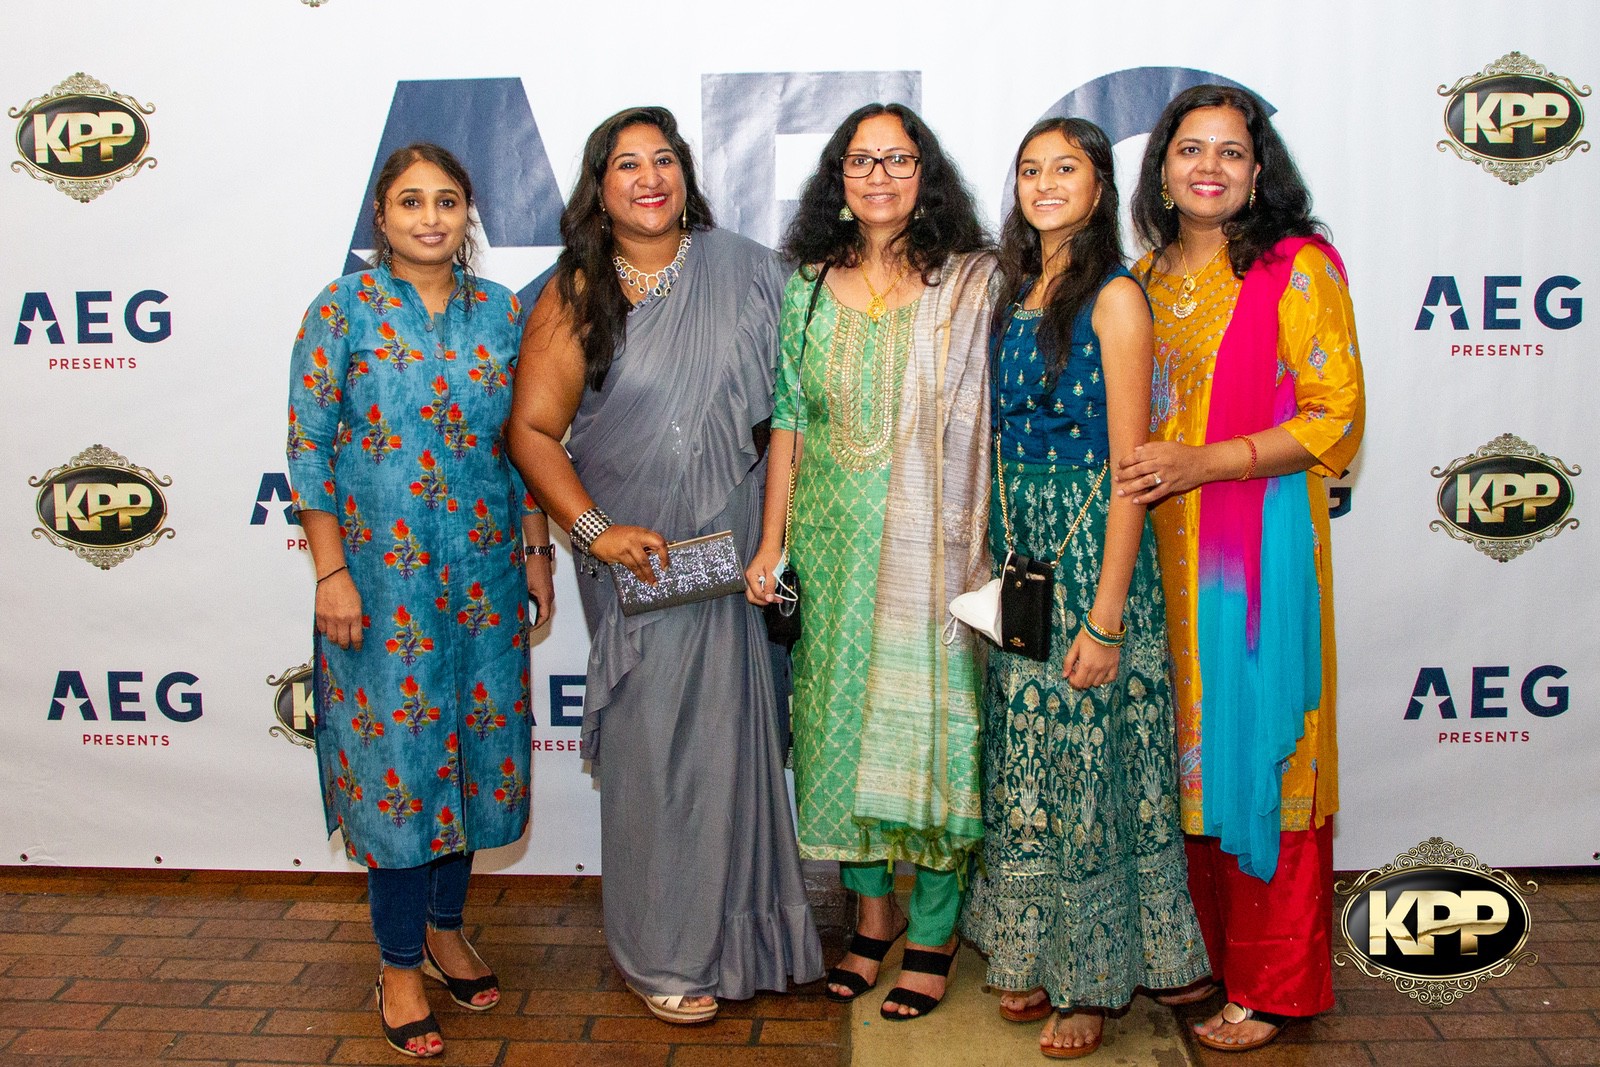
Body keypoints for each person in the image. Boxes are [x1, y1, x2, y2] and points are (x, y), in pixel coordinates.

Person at [506, 106, 823, 1026]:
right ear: (599, 188)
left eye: (664, 160)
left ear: (685, 174)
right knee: (653, 757)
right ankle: (663, 950)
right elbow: (532, 431)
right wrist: (593, 530)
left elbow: (800, 411)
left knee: (735, 747)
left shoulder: (753, 272)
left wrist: (778, 537)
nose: (649, 178)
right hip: (639, 564)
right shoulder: (576, 291)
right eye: (627, 164)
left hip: (740, 556)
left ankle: (748, 939)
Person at [286, 143, 549, 1059]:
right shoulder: (340, 310)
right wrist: (331, 572)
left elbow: (525, 441)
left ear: (468, 212)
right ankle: (398, 965)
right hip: (379, 586)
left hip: (483, 579)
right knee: (398, 771)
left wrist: (536, 550)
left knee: (474, 755)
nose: (430, 217)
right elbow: (309, 447)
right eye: (410, 201)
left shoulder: (503, 312)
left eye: (445, 201)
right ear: (382, 216)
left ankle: (445, 930)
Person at [1118, 85, 1365, 1052]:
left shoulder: (1295, 270)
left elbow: (1334, 416)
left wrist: (1204, 462)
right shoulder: (1142, 277)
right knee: (1182, 761)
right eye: (1191, 149)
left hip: (1256, 562)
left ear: (1260, 171)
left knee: (1262, 752)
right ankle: (1205, 955)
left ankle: (1272, 982)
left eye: (1231, 150)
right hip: (1158, 562)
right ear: (1162, 169)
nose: (1209, 166)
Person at [959, 118, 1211, 1059]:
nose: (1044, 183)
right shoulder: (1011, 292)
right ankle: (1032, 950)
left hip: (1096, 560)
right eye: (1030, 169)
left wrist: (1106, 618)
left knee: (1091, 773)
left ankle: (1093, 981)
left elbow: (1131, 472)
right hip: (1021, 559)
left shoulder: (1116, 298)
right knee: (1026, 765)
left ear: (1101, 187)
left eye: (1065, 168)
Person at [746, 102, 992, 1022]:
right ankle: (873, 913)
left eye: (897, 159)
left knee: (932, 729)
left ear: (925, 174)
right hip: (830, 548)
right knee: (839, 728)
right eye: (860, 160)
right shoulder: (807, 288)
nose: (878, 176)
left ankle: (934, 927)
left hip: (933, 554)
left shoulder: (964, 285)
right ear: (838, 180)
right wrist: (772, 542)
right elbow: (789, 421)